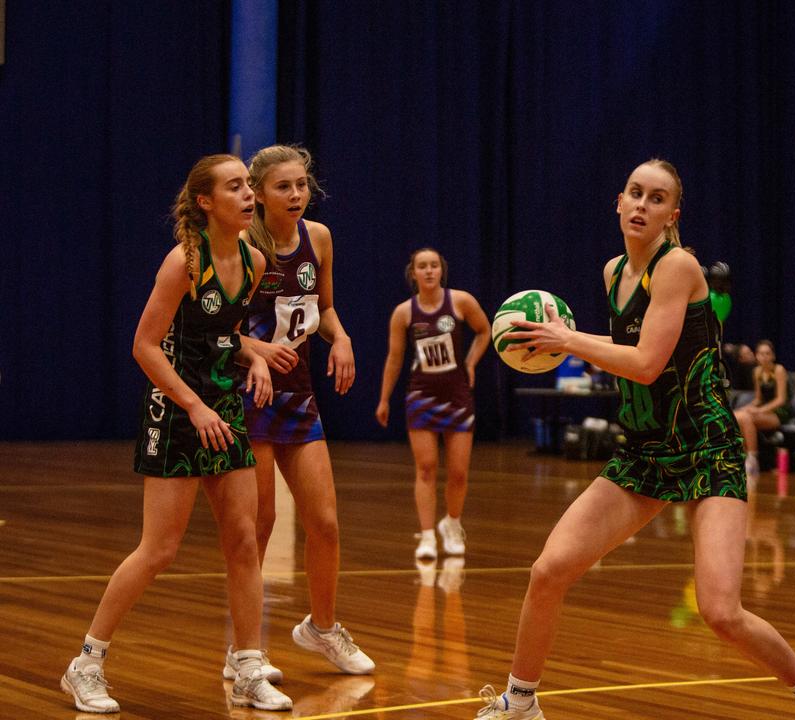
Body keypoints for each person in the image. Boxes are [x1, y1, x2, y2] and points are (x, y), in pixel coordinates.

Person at [472, 159, 795, 720]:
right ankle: (520, 701)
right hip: (645, 450)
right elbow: (629, 342)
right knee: (548, 571)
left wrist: (566, 340)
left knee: (720, 611)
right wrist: (559, 341)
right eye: (635, 193)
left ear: (673, 215)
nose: (642, 205)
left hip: (708, 447)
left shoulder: (677, 267)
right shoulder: (612, 271)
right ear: (618, 203)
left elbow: (645, 363)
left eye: (657, 198)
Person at [61, 155, 292, 713]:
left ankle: (248, 666)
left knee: (243, 540)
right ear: (206, 203)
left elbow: (222, 334)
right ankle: (85, 664)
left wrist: (255, 355)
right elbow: (144, 345)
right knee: (159, 548)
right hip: (175, 408)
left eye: (247, 186)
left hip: (223, 407)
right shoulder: (181, 264)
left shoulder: (255, 260)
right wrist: (192, 406)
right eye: (233, 187)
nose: (246, 194)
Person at [237, 144, 374, 677]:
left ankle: (321, 628)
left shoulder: (319, 238)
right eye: (283, 187)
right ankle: (244, 649)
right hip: (249, 395)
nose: (295, 195)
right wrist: (256, 350)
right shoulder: (244, 246)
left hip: (298, 394)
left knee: (325, 523)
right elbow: (218, 327)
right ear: (259, 194)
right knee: (261, 523)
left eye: (301, 185)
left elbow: (327, 308)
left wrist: (341, 339)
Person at [376, 247, 490, 561]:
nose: (428, 271)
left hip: (457, 394)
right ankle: (426, 536)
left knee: (458, 472)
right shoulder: (404, 313)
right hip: (421, 396)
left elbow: (484, 331)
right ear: (413, 273)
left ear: (442, 270)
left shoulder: (461, 302)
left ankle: (451, 524)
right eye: (422, 267)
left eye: (434, 266)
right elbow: (395, 358)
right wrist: (384, 398)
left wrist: (470, 362)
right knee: (425, 468)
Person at [735, 339, 792, 480]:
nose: (764, 357)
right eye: (761, 353)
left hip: (780, 412)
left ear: (773, 356)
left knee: (746, 418)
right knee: (738, 415)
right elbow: (758, 399)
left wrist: (760, 411)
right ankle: (742, 457)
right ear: (756, 356)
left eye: (767, 353)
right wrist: (748, 407)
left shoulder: (779, 370)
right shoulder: (756, 372)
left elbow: (781, 399)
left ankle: (752, 459)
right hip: (764, 410)